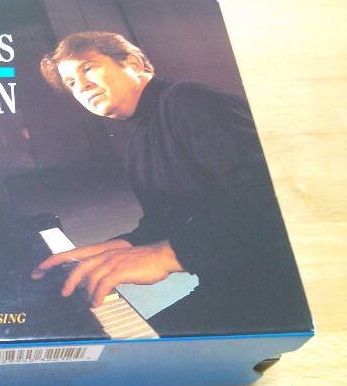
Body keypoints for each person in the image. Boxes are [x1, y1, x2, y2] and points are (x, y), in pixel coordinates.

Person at [32, 31, 309, 334]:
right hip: (233, 286)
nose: (82, 86)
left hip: (286, 291)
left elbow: (275, 199)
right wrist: (121, 246)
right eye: (71, 83)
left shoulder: (187, 99)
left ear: (134, 63)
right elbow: (169, 221)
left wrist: (166, 255)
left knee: (133, 353)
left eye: (88, 68)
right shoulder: (138, 141)